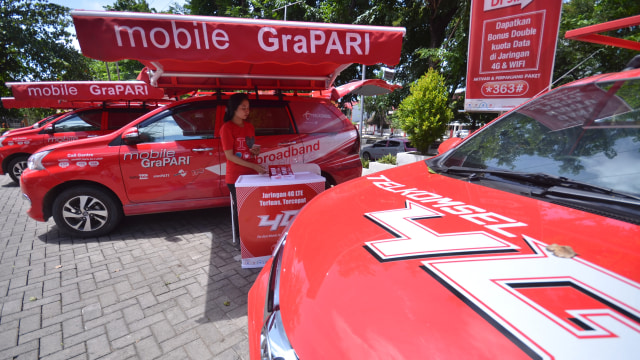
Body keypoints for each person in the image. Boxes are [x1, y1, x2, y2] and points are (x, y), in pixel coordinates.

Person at [220, 93, 266, 247]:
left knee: (254, 208)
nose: (247, 111)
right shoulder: (226, 128)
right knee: (241, 210)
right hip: (236, 178)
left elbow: (250, 148)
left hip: (252, 174)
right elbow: (230, 156)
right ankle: (242, 242)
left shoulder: (249, 126)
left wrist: (255, 152)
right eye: (243, 108)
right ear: (234, 109)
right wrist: (253, 165)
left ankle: (254, 237)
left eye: (248, 108)